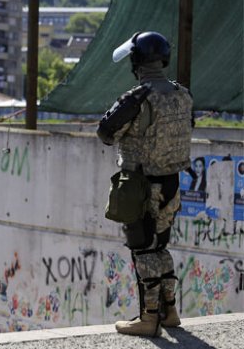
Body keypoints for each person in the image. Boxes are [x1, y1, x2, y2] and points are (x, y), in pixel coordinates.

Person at [97, 31, 194, 337]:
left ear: (137, 61)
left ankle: (147, 318)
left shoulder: (136, 97)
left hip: (141, 186)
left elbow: (106, 133)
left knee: (143, 250)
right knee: (161, 246)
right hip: (172, 184)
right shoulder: (183, 94)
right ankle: (170, 311)